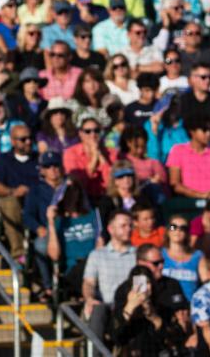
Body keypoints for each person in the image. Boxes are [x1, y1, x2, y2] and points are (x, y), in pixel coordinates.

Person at [82, 211, 136, 343]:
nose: (128, 229)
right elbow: (89, 283)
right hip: (108, 308)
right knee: (97, 310)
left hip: (132, 307)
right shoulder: (97, 255)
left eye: (130, 226)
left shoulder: (138, 254)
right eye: (123, 226)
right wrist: (89, 298)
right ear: (111, 229)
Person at [0, 124, 39, 262]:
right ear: (13, 141)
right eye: (23, 139)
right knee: (8, 202)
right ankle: (19, 255)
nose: (28, 142)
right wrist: (13, 191)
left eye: (30, 138)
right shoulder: (2, 159)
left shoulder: (39, 159)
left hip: (38, 198)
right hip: (15, 199)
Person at [166, 116, 210, 199]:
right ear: (192, 131)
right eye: (204, 130)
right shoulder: (178, 151)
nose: (209, 133)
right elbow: (175, 184)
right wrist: (199, 195)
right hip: (189, 202)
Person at [63, 115, 116, 200]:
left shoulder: (111, 152)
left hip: (106, 196)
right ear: (80, 134)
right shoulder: (70, 153)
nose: (93, 134)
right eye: (88, 131)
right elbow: (79, 182)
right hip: (82, 197)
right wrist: (94, 158)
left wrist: (101, 157)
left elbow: (113, 182)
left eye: (96, 131)